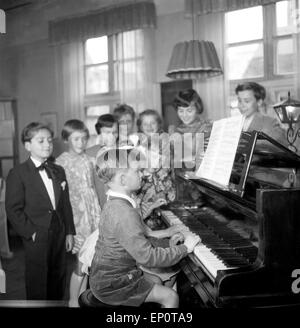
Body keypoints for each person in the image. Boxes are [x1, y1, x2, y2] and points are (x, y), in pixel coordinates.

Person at [89, 148, 200, 308]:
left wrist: (168, 238)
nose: (143, 174)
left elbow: (137, 237)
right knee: (171, 297)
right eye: (138, 171)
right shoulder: (123, 212)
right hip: (112, 285)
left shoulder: (115, 201)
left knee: (156, 280)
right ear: (123, 180)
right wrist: (185, 248)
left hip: (106, 275)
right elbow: (147, 257)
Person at [5, 122, 75, 300]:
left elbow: (65, 204)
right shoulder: (18, 173)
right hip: (37, 233)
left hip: (59, 232)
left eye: (50, 140)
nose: (47, 145)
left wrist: (69, 232)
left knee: (59, 275)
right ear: (28, 145)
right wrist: (31, 232)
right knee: (38, 280)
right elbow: (13, 209)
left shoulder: (58, 170)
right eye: (41, 141)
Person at [56, 119, 101, 307]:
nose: (81, 143)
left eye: (84, 138)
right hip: (76, 217)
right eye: (76, 139)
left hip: (94, 213)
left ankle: (83, 299)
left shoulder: (90, 159)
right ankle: (73, 300)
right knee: (79, 262)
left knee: (91, 259)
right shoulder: (61, 162)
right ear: (67, 139)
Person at [235, 82, 287, 147]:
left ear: (259, 102)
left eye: (247, 101)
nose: (241, 105)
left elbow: (282, 150)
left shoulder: (270, 123)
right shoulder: (234, 125)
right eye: (239, 101)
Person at [86, 114, 118, 209]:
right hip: (99, 205)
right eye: (107, 132)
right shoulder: (89, 153)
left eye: (115, 132)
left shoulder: (123, 151)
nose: (112, 136)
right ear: (99, 132)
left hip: (121, 206)